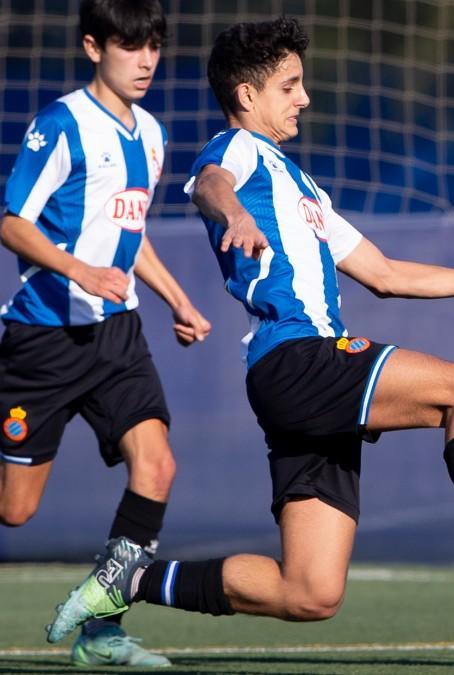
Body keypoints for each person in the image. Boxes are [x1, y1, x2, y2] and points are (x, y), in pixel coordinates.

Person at [45, 16, 454, 643]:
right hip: (298, 358)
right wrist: (235, 216)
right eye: (289, 85)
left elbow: (386, 274)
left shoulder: (302, 186)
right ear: (248, 96)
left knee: (309, 593)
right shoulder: (237, 151)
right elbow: (211, 185)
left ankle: (129, 581)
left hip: (293, 384)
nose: (304, 97)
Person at [0, 0, 210, 667]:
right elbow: (12, 222)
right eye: (130, 46)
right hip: (43, 341)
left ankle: (103, 632)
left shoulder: (151, 132)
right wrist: (76, 267)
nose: (145, 59)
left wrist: (178, 299)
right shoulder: (61, 124)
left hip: (117, 336)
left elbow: (131, 231)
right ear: (94, 47)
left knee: (159, 465)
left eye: (153, 46)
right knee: (15, 512)